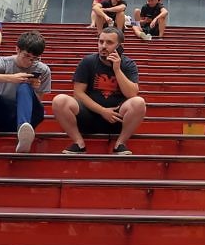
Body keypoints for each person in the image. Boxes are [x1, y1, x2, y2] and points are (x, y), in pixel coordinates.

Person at [51, 27, 146, 155]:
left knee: (139, 103)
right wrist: (102, 111)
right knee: (59, 100)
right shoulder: (88, 62)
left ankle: (120, 144)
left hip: (118, 118)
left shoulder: (128, 65)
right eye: (101, 42)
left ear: (120, 46)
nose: (103, 46)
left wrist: (117, 69)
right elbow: (78, 93)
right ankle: (79, 143)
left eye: (109, 43)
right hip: (89, 115)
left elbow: (131, 94)